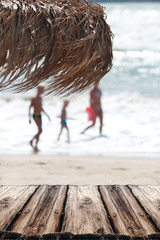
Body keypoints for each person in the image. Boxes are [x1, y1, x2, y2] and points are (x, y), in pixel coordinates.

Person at [29, 84, 50, 152]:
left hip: (40, 115)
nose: (43, 91)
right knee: (40, 130)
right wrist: (29, 118)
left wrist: (47, 115)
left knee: (40, 130)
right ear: (38, 90)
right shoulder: (34, 98)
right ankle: (32, 141)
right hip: (35, 115)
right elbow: (30, 107)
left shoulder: (41, 98)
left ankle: (35, 145)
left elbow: (41, 107)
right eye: (42, 89)